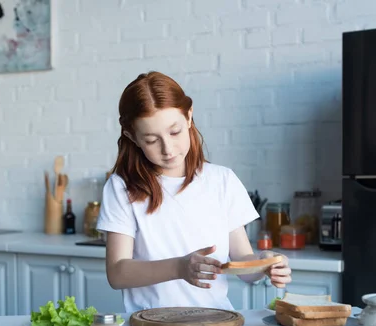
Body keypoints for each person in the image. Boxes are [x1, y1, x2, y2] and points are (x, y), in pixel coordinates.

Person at [96, 71, 292, 313]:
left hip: (217, 322)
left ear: (189, 117)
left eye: (175, 132)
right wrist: (179, 268)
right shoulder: (121, 187)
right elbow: (117, 273)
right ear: (132, 137)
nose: (167, 148)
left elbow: (241, 260)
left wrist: (265, 264)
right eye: (151, 140)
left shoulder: (222, 180)